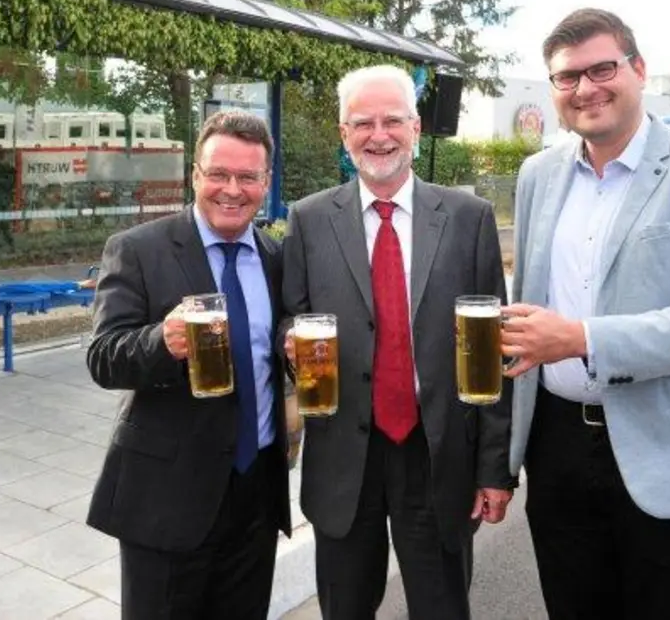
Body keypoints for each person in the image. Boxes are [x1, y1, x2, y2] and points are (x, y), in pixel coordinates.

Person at [500, 8, 670, 619]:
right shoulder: (537, 175)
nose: (586, 88)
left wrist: (580, 338)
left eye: (603, 68)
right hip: (558, 451)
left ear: (639, 70)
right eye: (567, 78)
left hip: (665, 449)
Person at [280, 64, 515, 620]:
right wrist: (290, 345)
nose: (378, 134)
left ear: (415, 127)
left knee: (442, 607)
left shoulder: (469, 218)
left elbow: (494, 352)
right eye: (363, 122)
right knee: (345, 608)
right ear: (344, 134)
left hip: (437, 455)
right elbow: (289, 318)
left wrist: (494, 469)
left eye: (392, 120)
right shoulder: (309, 220)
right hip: (344, 457)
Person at [85, 109, 292, 620]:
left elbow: (275, 353)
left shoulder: (275, 256)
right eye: (218, 174)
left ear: (265, 183)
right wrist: (162, 340)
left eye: (247, 177)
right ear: (195, 175)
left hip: (256, 495)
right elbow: (103, 357)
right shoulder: (137, 250)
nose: (232, 189)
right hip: (168, 498)